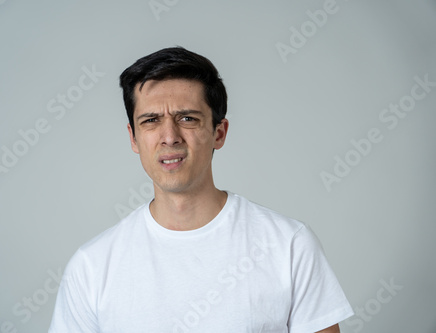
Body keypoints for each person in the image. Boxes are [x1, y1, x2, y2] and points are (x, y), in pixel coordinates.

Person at [48, 46, 354, 333]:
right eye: (151, 120)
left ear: (218, 133)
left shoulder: (290, 246)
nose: (170, 136)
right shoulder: (91, 266)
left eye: (187, 118)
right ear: (133, 138)